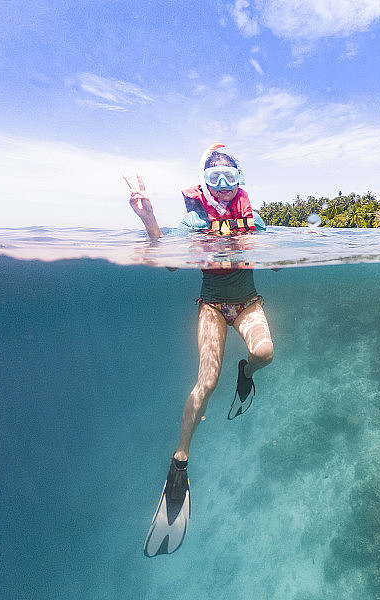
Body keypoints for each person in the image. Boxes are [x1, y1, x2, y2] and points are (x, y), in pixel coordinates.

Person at [124, 143, 274, 556]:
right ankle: (180, 461)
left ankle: (246, 373)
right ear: (204, 184)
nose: (223, 187)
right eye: (214, 180)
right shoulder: (194, 221)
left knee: (264, 354)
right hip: (211, 306)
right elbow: (170, 261)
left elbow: (275, 255)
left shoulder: (253, 219)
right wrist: (150, 219)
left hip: (248, 304)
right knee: (205, 381)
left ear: (240, 180)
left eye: (229, 179)